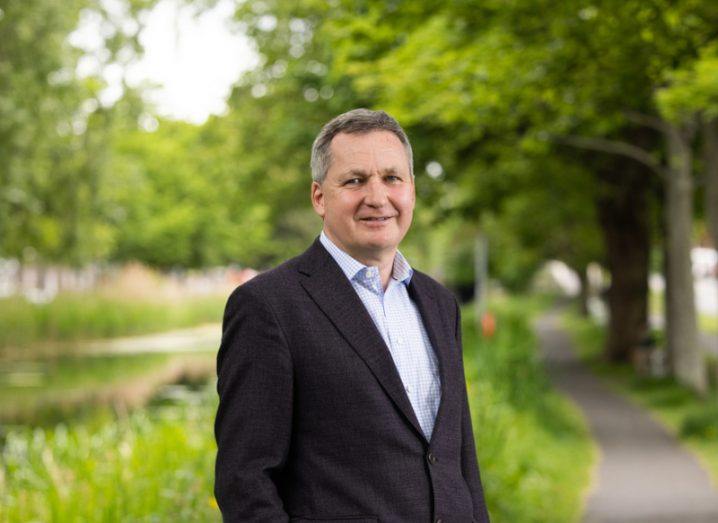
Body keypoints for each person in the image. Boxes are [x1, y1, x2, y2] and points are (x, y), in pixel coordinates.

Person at [214, 108, 490, 522]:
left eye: (392, 178)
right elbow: (245, 480)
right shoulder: (268, 307)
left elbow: (460, 461)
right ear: (319, 197)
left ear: (411, 190)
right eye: (355, 180)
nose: (377, 197)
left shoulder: (439, 304)